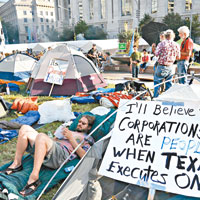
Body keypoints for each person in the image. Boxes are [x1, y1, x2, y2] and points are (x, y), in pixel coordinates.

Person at [0, 115, 95, 197]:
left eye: (83, 123)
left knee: (41, 136)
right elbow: (53, 141)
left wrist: (70, 138)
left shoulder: (88, 138)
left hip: (61, 156)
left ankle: (34, 177)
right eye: (79, 122)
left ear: (89, 127)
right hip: (52, 148)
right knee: (25, 128)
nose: (79, 124)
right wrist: (57, 136)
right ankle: (17, 164)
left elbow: (84, 155)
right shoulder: (70, 131)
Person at [153, 29, 180, 98]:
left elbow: (156, 54)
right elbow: (178, 57)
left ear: (165, 36)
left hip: (162, 66)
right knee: (169, 84)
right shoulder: (176, 44)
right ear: (173, 36)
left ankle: (156, 98)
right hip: (171, 67)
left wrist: (154, 48)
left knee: (157, 83)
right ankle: (168, 98)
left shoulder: (162, 43)